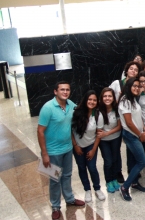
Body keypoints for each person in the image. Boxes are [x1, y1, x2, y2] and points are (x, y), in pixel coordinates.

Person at [37, 81, 85, 220]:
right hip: (52, 152)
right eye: (62, 89)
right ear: (55, 91)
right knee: (54, 179)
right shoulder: (48, 108)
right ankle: (56, 206)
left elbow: (82, 112)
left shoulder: (70, 104)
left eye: (67, 90)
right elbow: (40, 131)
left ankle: (70, 199)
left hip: (67, 148)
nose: (65, 92)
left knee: (67, 175)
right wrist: (44, 154)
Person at [110, 61, 141, 184]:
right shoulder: (117, 83)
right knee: (116, 148)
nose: (133, 71)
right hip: (118, 120)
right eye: (131, 69)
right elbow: (108, 99)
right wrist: (119, 99)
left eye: (136, 70)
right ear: (126, 70)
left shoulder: (137, 86)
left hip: (131, 121)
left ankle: (132, 171)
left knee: (131, 148)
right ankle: (118, 172)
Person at [71, 90, 105, 203]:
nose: (92, 102)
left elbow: (99, 134)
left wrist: (94, 149)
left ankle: (97, 188)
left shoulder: (98, 115)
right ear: (85, 100)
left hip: (91, 145)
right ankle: (87, 190)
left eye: (94, 100)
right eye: (90, 99)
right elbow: (70, 131)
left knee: (92, 168)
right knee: (82, 168)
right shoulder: (76, 112)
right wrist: (75, 146)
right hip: (78, 147)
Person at [118, 77, 145, 201]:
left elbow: (137, 116)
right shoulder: (125, 101)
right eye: (134, 86)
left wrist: (144, 128)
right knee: (142, 162)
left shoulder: (133, 100)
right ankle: (125, 187)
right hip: (131, 135)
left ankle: (134, 183)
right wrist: (140, 134)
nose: (136, 88)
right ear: (128, 87)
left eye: (138, 86)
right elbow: (129, 123)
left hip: (137, 133)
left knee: (133, 161)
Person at [97, 88, 122, 194]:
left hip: (115, 137)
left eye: (110, 96)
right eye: (105, 96)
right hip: (103, 141)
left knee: (115, 159)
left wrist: (107, 133)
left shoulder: (117, 109)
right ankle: (109, 181)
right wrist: (104, 135)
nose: (107, 98)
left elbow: (119, 126)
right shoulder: (98, 111)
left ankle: (115, 179)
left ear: (113, 98)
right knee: (108, 161)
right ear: (102, 98)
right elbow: (98, 129)